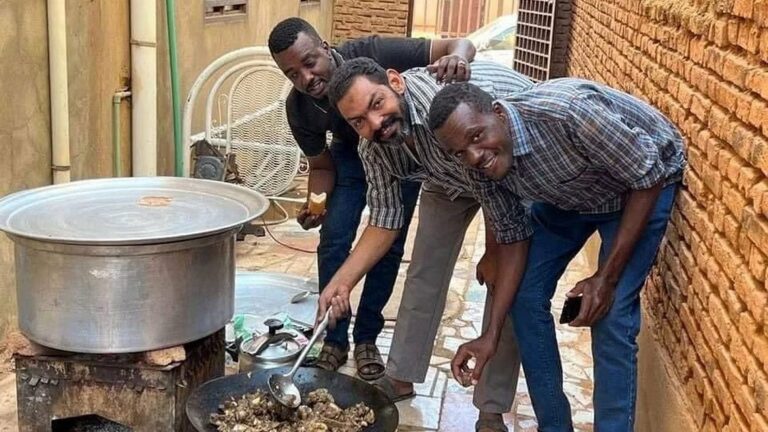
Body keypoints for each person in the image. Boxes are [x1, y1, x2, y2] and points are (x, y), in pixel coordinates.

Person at [427, 81, 686, 431]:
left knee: (610, 313)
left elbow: (648, 171)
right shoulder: (478, 168)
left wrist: (605, 278)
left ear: (498, 113)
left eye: (477, 136)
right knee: (523, 296)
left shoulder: (568, 112)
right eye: (460, 152)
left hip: (639, 188)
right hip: (569, 196)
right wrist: (491, 334)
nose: (474, 156)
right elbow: (513, 239)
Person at [321, 57, 534, 432]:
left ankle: (490, 409)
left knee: (505, 283)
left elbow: (500, 189)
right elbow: (385, 219)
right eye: (359, 121)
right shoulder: (374, 147)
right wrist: (342, 282)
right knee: (424, 270)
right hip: (446, 175)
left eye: (376, 104)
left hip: (506, 165)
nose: (375, 123)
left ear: (395, 82)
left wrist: (493, 250)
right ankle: (401, 376)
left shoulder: (442, 105)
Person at [267, 17, 476, 381]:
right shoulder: (299, 108)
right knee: (334, 239)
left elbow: (457, 44)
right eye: (292, 74)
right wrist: (317, 203)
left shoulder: (371, 53)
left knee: (388, 243)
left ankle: (367, 337)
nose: (306, 78)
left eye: (309, 63)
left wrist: (457, 58)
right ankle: (334, 339)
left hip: (398, 149)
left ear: (325, 46)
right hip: (350, 160)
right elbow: (321, 166)